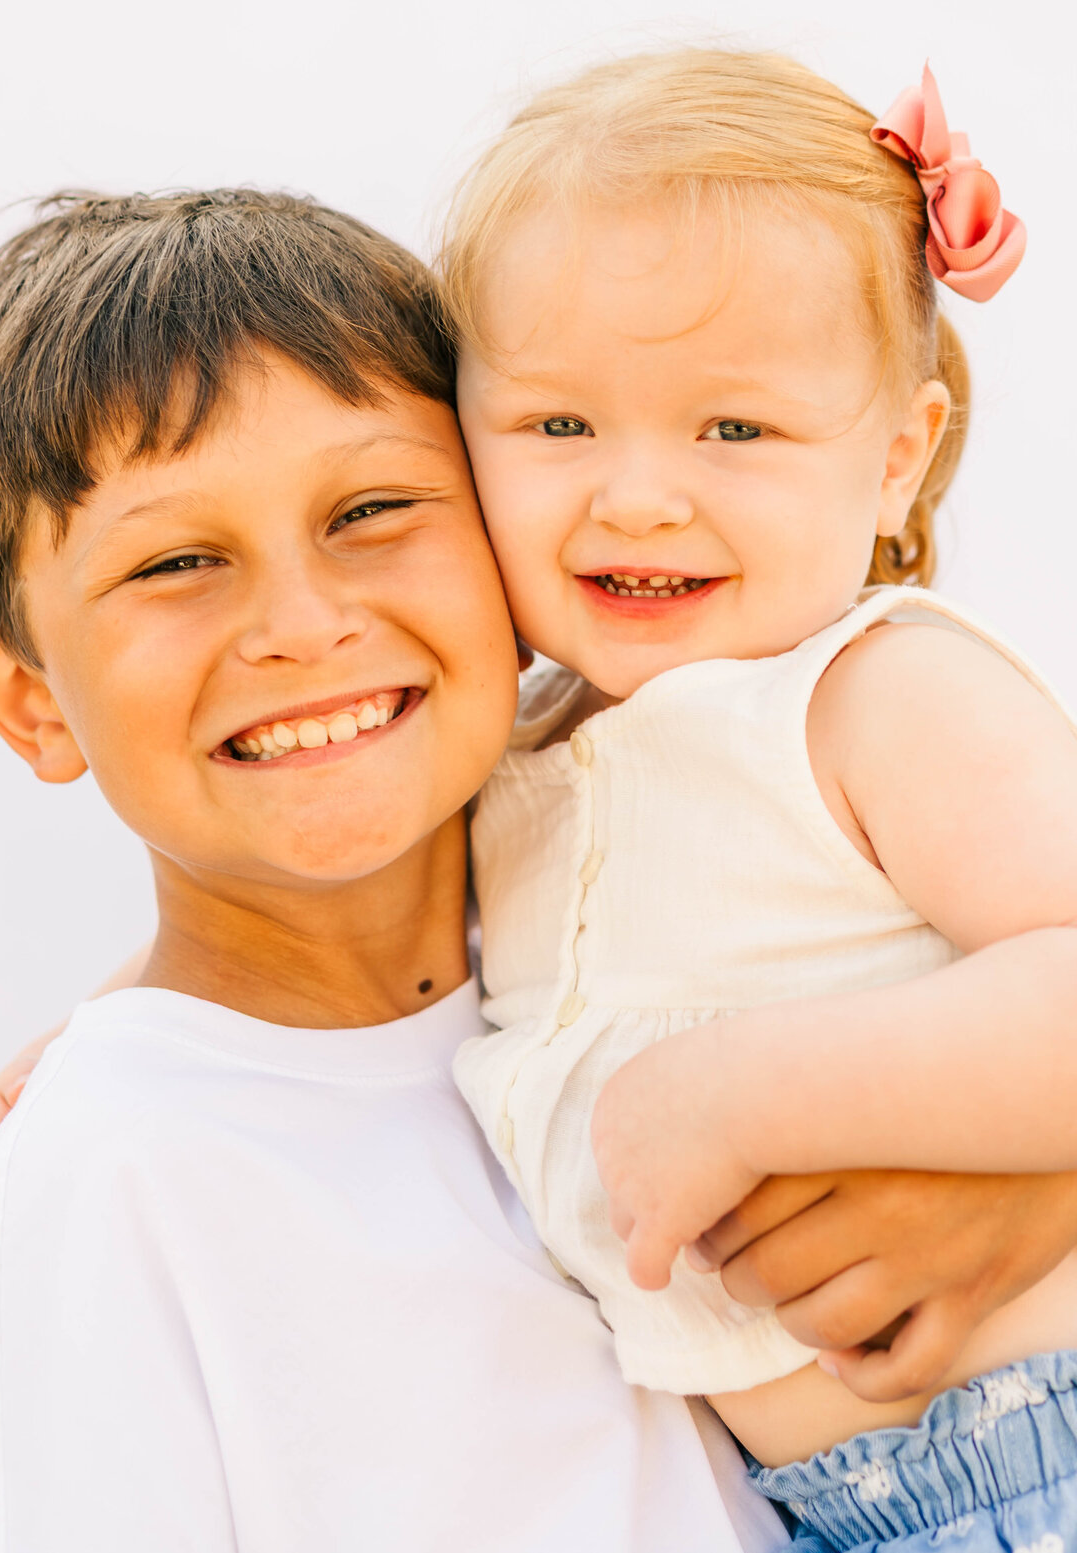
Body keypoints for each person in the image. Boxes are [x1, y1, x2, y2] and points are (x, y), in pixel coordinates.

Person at [0, 185, 1077, 1552]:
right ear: (28, 702)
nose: (305, 624)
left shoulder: (632, 930)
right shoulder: (104, 1188)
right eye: (175, 560)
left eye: (376, 508)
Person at [441, 49, 1077, 1548]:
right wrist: (117, 1016)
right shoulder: (510, 756)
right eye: (556, 426)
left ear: (896, 464)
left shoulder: (875, 694)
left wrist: (743, 1089)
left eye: (735, 430)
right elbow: (341, 957)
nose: (641, 492)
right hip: (825, 1513)